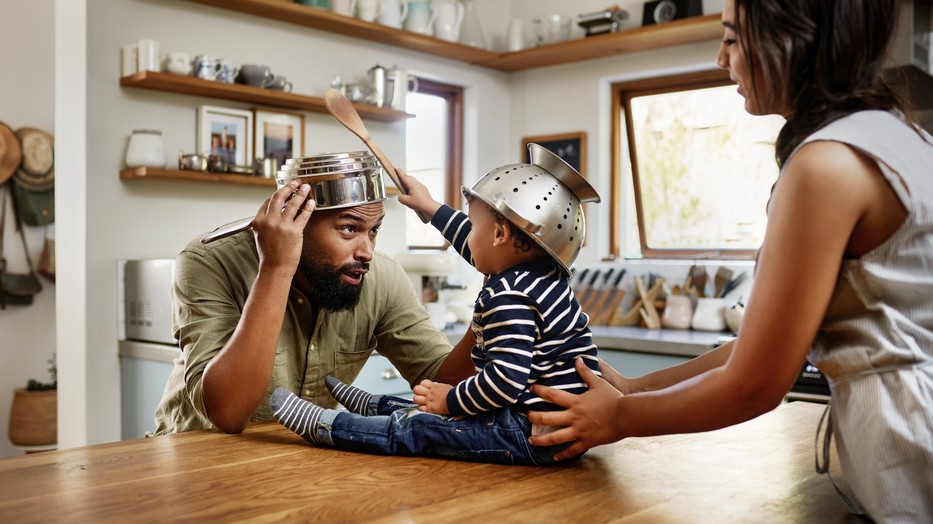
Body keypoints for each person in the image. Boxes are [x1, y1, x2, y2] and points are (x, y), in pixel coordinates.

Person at [527, 0, 933, 521]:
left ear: (797, 40)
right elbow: (763, 344)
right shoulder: (901, 137)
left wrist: (621, 416)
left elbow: (756, 382)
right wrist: (632, 388)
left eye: (734, 39)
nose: (722, 58)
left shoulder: (826, 165)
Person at [270, 144, 603, 465]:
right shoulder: (540, 278)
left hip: (530, 433)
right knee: (435, 412)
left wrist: (448, 400)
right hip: (549, 426)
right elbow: (474, 246)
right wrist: (430, 208)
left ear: (500, 235)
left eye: (473, 225)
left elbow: (503, 382)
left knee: (420, 428)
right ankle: (376, 407)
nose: (467, 236)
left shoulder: (509, 295)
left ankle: (329, 426)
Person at [151, 173, 476, 436]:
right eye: (349, 229)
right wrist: (277, 267)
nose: (367, 252)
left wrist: (498, 298)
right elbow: (228, 415)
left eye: (373, 231)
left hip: (299, 466)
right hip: (194, 460)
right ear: (297, 221)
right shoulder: (209, 261)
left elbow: (444, 384)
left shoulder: (381, 277)